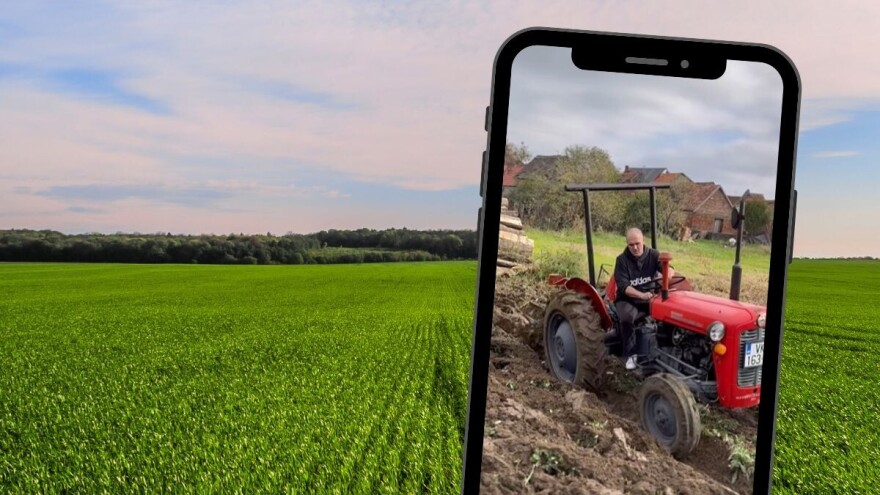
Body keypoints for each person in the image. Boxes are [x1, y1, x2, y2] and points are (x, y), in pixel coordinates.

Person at [613, 227, 674, 370]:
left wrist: (668, 274)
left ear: (643, 241)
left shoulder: (653, 255)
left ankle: (665, 350)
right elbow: (624, 287)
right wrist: (641, 295)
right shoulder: (622, 260)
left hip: (649, 298)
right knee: (628, 317)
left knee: (669, 314)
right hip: (627, 299)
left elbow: (668, 268)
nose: (635, 247)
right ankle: (630, 354)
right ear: (627, 244)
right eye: (631, 244)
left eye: (637, 243)